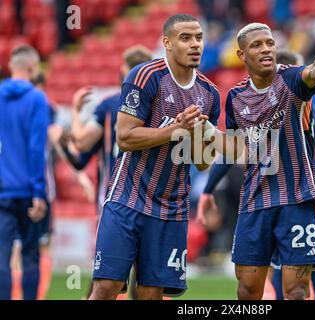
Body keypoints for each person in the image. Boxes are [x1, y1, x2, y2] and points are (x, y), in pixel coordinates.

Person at [207, 23, 315, 300]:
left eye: (269, 43)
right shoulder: (236, 97)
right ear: (241, 54)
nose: (266, 49)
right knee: (247, 291)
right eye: (257, 45)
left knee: (296, 291)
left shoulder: (290, 80)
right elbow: (238, 150)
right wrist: (208, 134)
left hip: (296, 200)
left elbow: (314, 70)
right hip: (254, 203)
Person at [89, 14, 220, 300]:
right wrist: (178, 129)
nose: (194, 44)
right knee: (106, 287)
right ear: (167, 43)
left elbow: (203, 162)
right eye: (185, 38)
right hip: (127, 198)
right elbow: (125, 137)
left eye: (198, 38)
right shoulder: (145, 76)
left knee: (151, 294)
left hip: (171, 209)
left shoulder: (210, 93)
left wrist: (197, 135)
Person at [66, 45, 153, 299]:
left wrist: (74, 111)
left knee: (106, 273)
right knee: (146, 275)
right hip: (151, 198)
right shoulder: (159, 104)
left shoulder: (110, 104)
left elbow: (81, 142)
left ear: (125, 71)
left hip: (114, 197)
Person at [0, 45, 50, 300]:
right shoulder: (37, 99)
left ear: (11, 66)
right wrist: (39, 192)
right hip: (29, 191)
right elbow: (35, 148)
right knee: (30, 254)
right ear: (33, 68)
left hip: (2, 191)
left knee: (2, 256)